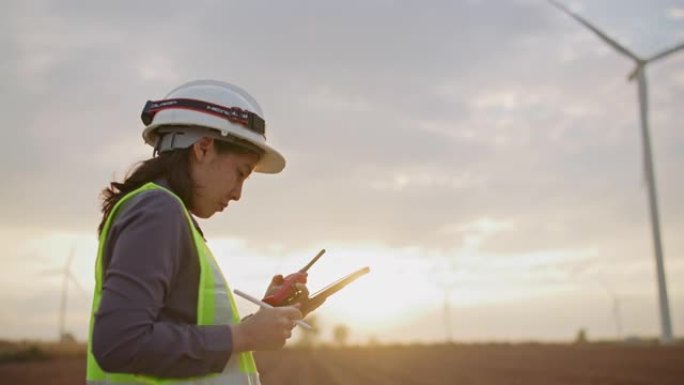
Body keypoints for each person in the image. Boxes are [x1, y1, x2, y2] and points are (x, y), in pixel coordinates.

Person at [87, 80, 306, 385]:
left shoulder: (165, 214)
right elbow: (120, 344)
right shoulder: (157, 212)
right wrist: (242, 336)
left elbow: (178, 330)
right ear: (203, 148)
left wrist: (254, 327)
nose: (238, 193)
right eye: (240, 173)